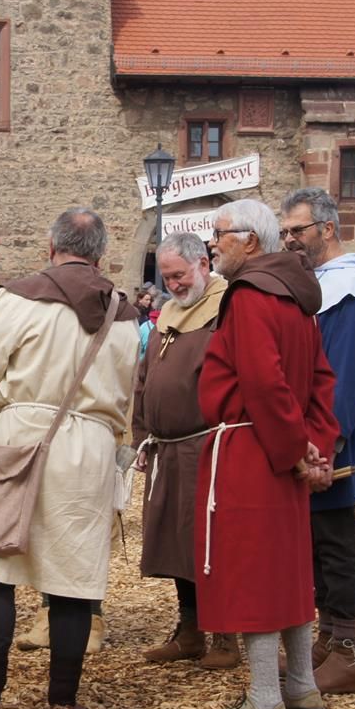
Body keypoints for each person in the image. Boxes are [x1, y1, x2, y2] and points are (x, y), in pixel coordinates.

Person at [0, 207, 139, 709]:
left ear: (51, 247)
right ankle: (63, 704)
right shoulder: (124, 313)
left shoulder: (19, 297)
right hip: (89, 447)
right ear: (101, 255)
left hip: (20, 434)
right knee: (71, 578)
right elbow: (125, 393)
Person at [193, 199, 339, 709]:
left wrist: (295, 450)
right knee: (288, 570)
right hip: (281, 449)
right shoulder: (297, 297)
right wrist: (314, 447)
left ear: (250, 241)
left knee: (253, 572)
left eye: (219, 234)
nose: (213, 243)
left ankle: (263, 700)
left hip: (254, 452)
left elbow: (263, 381)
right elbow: (320, 382)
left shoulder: (251, 295)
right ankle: (300, 686)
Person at [281, 187, 355, 695]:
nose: (289, 240)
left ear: (327, 228)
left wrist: (326, 443)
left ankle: (350, 651)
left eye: (297, 230)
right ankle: (329, 638)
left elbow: (341, 379)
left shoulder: (350, 288)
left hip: (332, 434)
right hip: (317, 432)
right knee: (317, 538)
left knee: (337, 538)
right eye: (284, 232)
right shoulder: (324, 284)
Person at [132, 232, 240, 669]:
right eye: (167, 277)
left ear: (203, 265)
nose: (173, 285)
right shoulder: (169, 316)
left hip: (207, 445)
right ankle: (191, 630)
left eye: (179, 275)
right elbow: (145, 379)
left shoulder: (226, 309)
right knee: (177, 542)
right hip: (168, 448)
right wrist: (141, 435)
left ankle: (226, 635)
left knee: (211, 542)